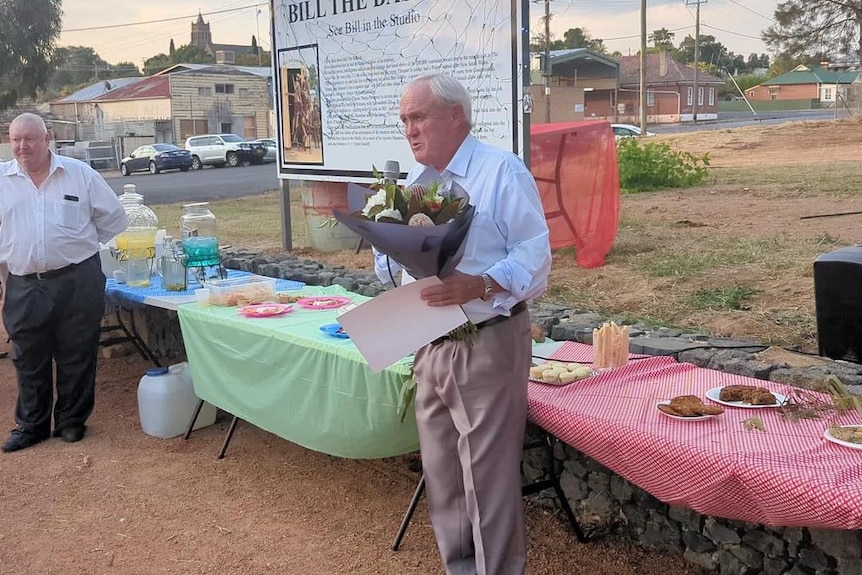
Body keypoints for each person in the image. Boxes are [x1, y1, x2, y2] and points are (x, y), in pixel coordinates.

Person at [376, 74, 552, 574]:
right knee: (443, 475)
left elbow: (536, 255)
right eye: (404, 120)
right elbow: (385, 268)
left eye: (418, 117)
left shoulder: (501, 171)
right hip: (429, 340)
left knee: (487, 480)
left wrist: (479, 284)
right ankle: (459, 568)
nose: (410, 130)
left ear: (455, 115)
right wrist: (387, 242)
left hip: (488, 341)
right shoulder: (413, 186)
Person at [0, 113, 127, 453]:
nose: (22, 146)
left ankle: (71, 422)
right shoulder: (1, 180)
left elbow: (114, 218)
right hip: (23, 283)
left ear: (47, 138)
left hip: (76, 279)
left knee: (77, 353)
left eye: (30, 138)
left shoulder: (79, 175)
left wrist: (78, 248)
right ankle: (31, 426)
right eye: (16, 140)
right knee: (28, 356)